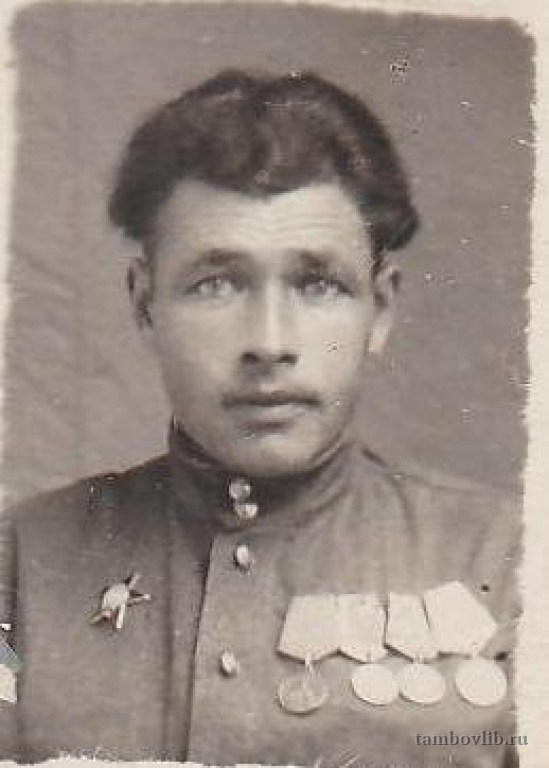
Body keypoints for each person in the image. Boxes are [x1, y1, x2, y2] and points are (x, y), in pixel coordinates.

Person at [0, 69, 521, 766]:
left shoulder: (506, 563)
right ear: (145, 305)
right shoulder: (21, 563)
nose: (270, 343)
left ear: (380, 308)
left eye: (318, 284)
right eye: (215, 284)